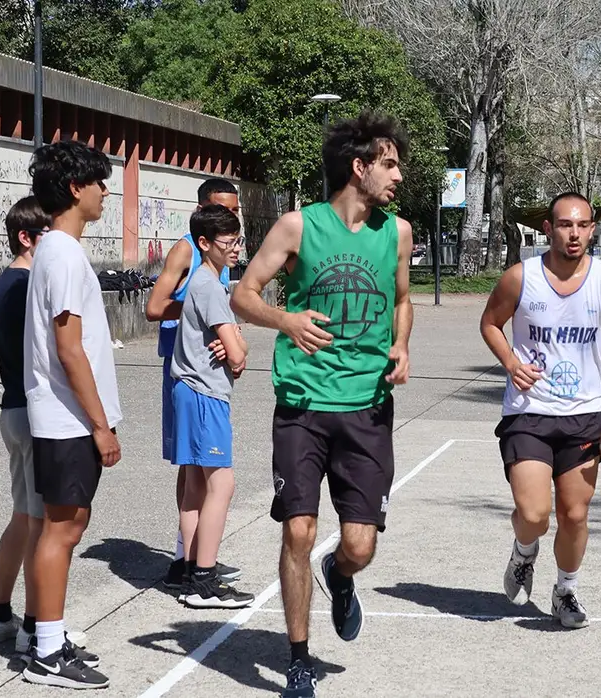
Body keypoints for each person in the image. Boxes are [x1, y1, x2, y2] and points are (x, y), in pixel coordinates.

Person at [229, 111, 414, 698]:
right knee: (299, 532)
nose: (399, 175)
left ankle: (340, 576)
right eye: (389, 164)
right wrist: (285, 319)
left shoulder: (398, 233)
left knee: (358, 544)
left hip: (367, 406)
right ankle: (299, 655)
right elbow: (242, 294)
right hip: (304, 403)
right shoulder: (297, 227)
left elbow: (404, 299)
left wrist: (402, 343)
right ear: (359, 168)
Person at [479, 191, 601, 629]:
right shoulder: (521, 278)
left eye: (581, 225)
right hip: (529, 411)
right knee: (535, 514)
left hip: (584, 414)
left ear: (592, 229)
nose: (573, 234)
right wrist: (511, 362)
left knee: (574, 514)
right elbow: (490, 323)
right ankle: (523, 553)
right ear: (547, 229)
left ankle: (565, 591)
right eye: (564, 225)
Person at [20, 140, 121, 689]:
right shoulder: (60, 252)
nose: (106, 191)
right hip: (66, 421)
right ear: (76, 188)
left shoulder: (61, 251)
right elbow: (69, 348)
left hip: (68, 419)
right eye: (99, 182)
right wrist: (100, 424)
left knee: (65, 527)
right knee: (62, 530)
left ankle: (47, 635)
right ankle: (46, 653)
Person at [0, 196, 92, 655]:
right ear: (26, 238)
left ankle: (0, 614)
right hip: (31, 413)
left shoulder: (5, 283)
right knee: (40, 525)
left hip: (13, 409)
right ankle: (34, 625)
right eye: (45, 233)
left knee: (22, 518)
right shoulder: (25, 285)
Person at [146, 178, 242, 590]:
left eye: (235, 210)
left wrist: (226, 334)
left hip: (201, 361)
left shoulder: (216, 262)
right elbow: (153, 307)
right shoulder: (190, 250)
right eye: (224, 209)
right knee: (198, 470)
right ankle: (193, 563)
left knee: (197, 471)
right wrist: (202, 313)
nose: (232, 217)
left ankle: (190, 558)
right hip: (188, 368)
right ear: (204, 208)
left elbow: (233, 343)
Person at [171, 204, 254, 609]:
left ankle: (192, 569)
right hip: (205, 393)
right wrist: (238, 343)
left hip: (187, 390)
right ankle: (204, 579)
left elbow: (233, 350)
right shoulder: (209, 286)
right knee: (222, 483)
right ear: (204, 244)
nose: (236, 248)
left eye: (239, 240)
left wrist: (234, 344)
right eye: (229, 242)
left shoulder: (204, 284)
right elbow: (237, 357)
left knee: (195, 486)